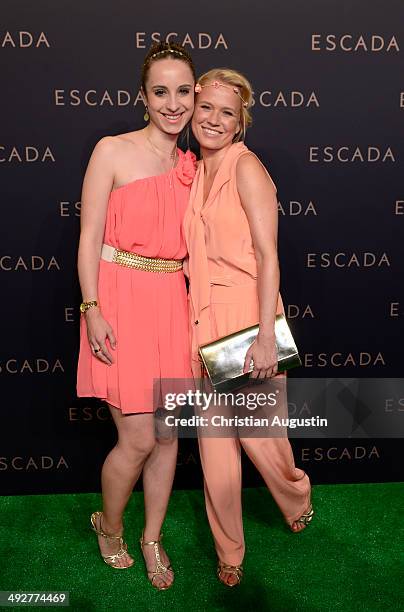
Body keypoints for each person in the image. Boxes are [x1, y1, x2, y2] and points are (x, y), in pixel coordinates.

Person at [183, 69, 313, 587]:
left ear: (241, 122)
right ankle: (229, 551)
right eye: (206, 107)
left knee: (262, 439)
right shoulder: (192, 170)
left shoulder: (246, 167)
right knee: (214, 447)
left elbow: (268, 255)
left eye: (226, 112)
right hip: (200, 317)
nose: (214, 120)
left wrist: (265, 335)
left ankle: (294, 494)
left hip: (245, 316)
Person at [76, 41, 196, 590]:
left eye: (183, 91)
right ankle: (110, 525)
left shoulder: (194, 165)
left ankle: (152, 537)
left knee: (169, 436)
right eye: (160, 91)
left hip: (175, 301)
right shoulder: (112, 151)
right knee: (139, 439)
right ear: (142, 97)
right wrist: (92, 307)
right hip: (120, 300)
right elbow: (89, 236)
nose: (173, 102)